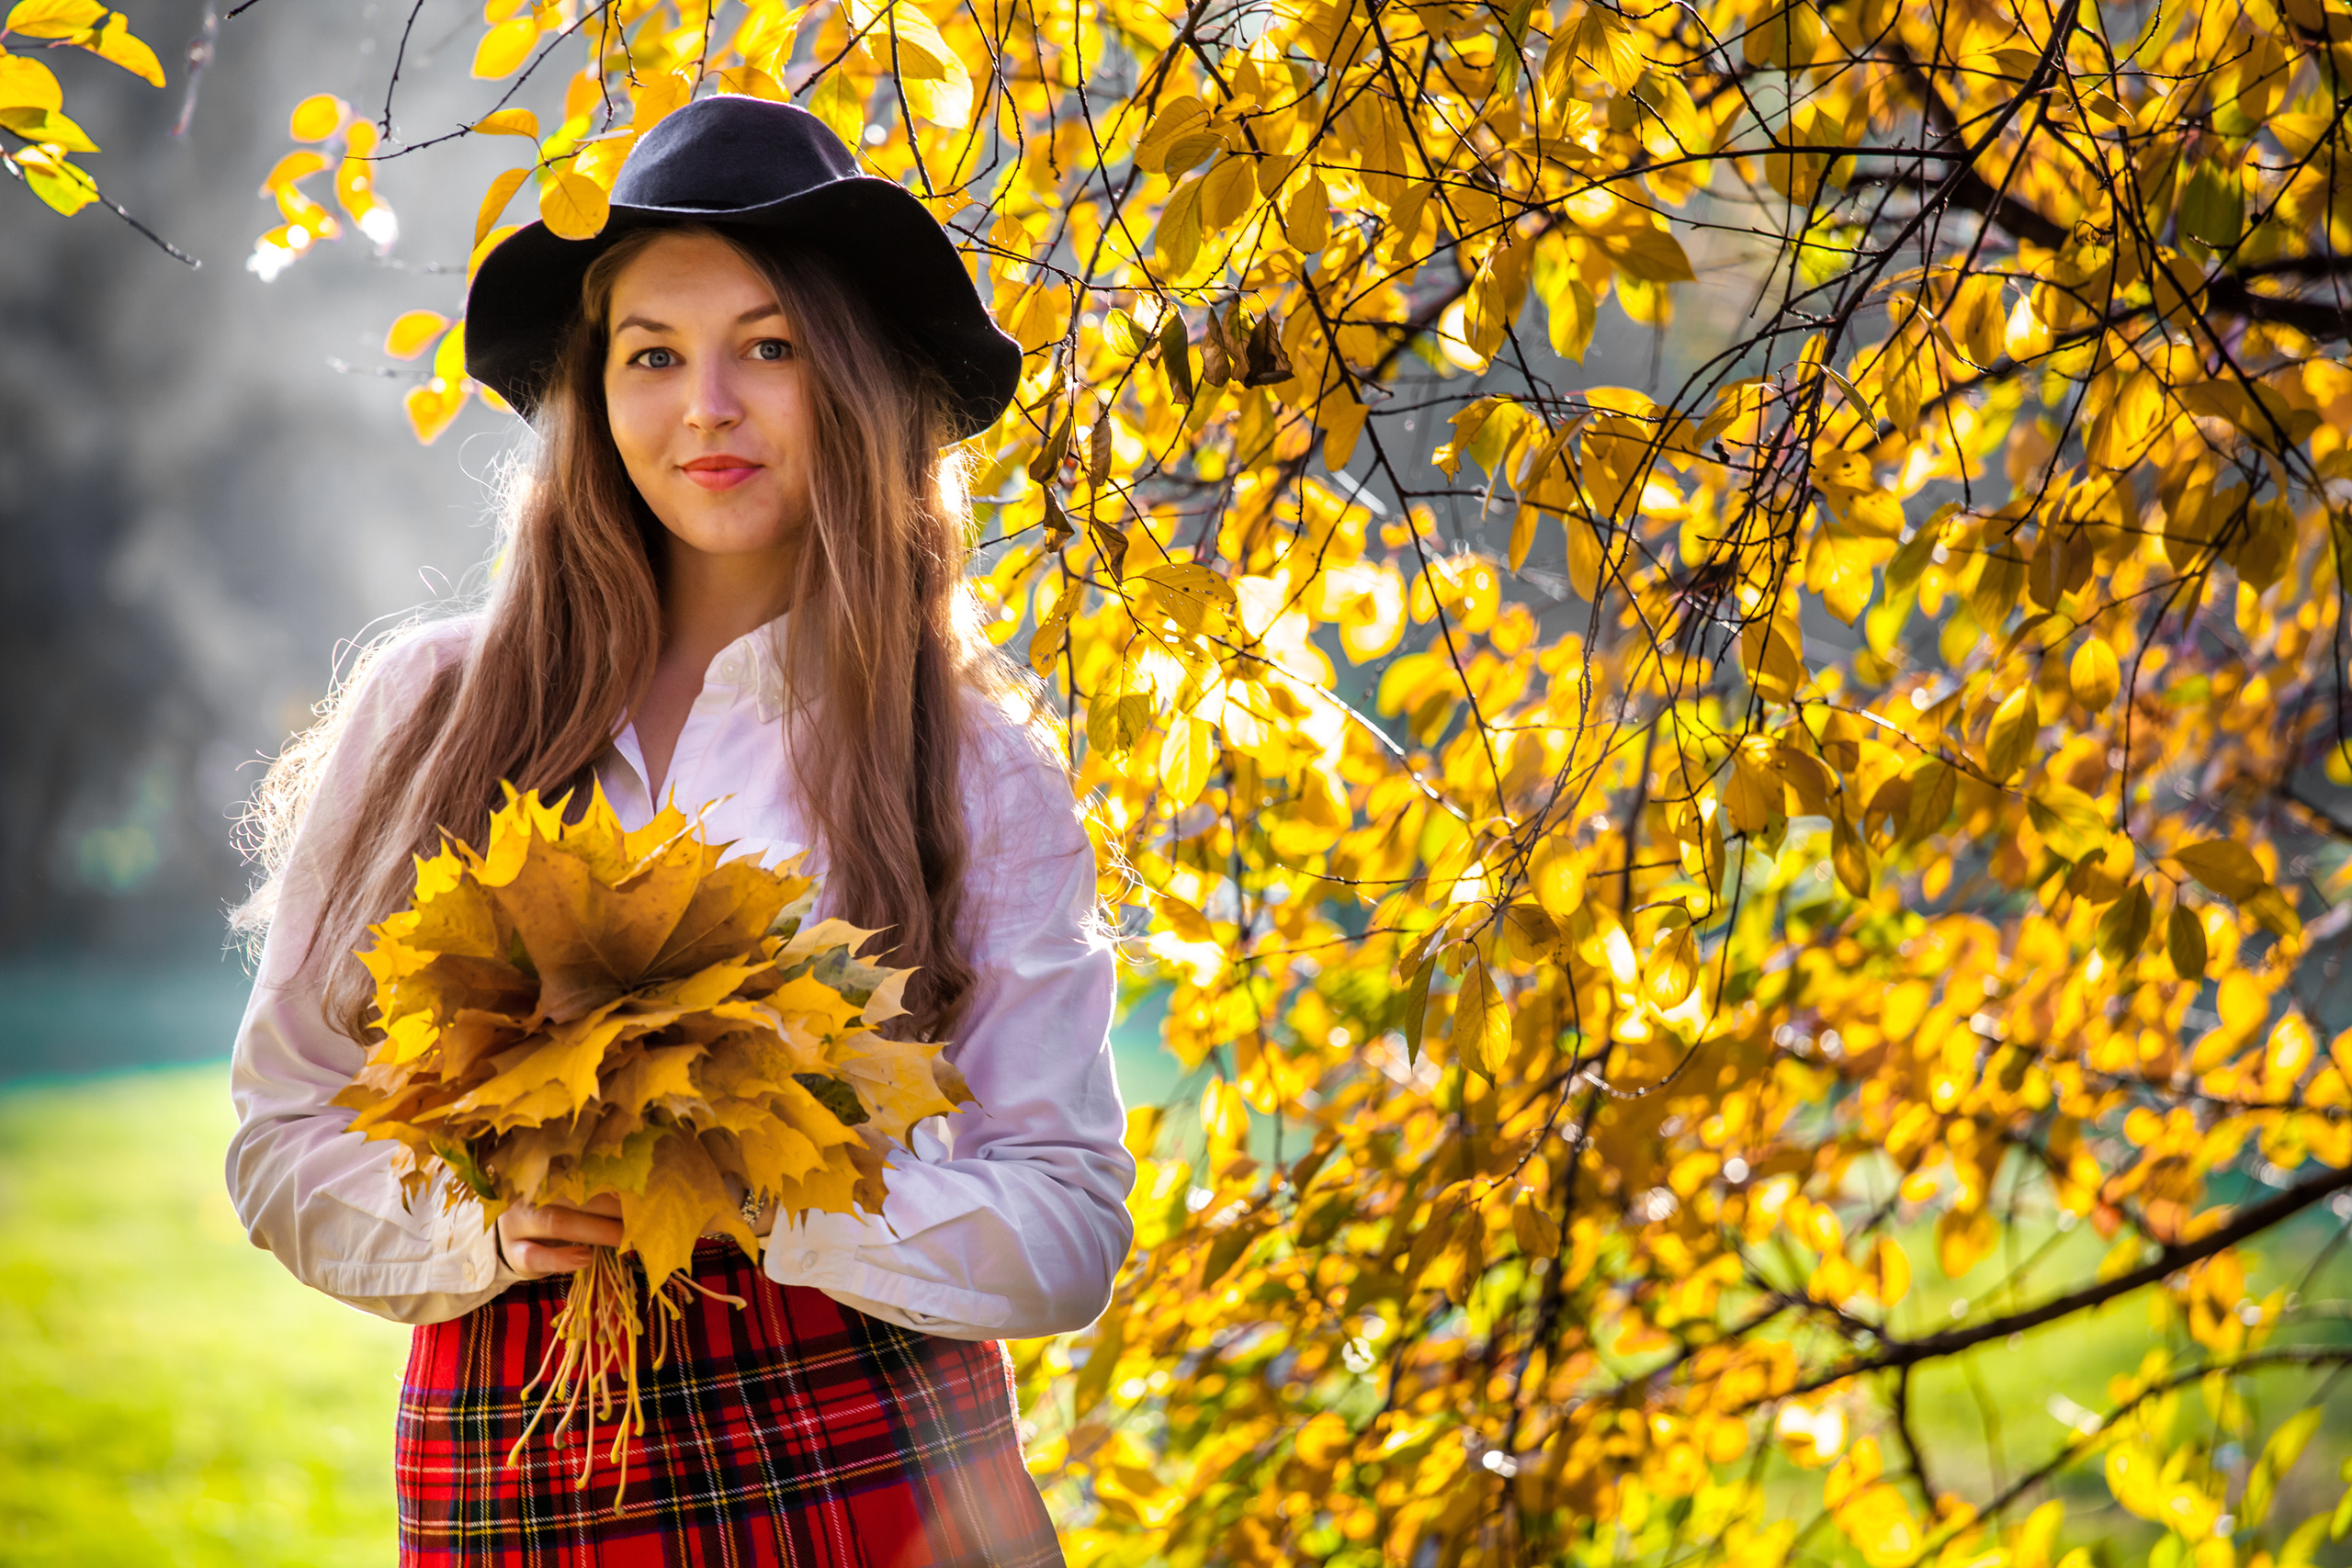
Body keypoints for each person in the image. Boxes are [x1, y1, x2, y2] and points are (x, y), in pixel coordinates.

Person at [224, 96, 1132, 1565]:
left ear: (857, 382)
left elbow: (1071, 1226)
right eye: (652, 354)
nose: (706, 404)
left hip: (867, 1465)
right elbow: (281, 1138)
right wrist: (486, 1229)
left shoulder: (971, 762)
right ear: (596, 389)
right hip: (512, 1459)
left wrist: (786, 1184)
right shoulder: (434, 708)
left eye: (768, 347)